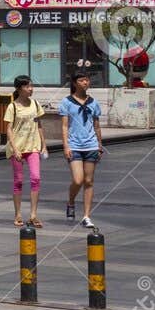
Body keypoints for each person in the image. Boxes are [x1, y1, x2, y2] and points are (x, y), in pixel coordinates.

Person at [59, 67, 104, 228]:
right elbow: (64, 126)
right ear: (74, 83)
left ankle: (86, 215)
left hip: (91, 145)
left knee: (89, 181)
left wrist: (99, 145)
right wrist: (66, 146)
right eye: (81, 80)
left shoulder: (93, 102)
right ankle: (71, 201)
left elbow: (97, 125)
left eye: (87, 79)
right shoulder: (67, 102)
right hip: (75, 145)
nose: (85, 82)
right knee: (78, 179)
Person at [4, 75, 45, 227]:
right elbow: (8, 129)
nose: (31, 89)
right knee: (19, 181)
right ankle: (18, 214)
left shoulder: (35, 104)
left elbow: (39, 124)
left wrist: (44, 144)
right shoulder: (12, 107)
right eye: (28, 86)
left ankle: (33, 214)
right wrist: (15, 149)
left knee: (36, 178)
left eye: (32, 86)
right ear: (19, 89)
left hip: (33, 146)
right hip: (18, 148)